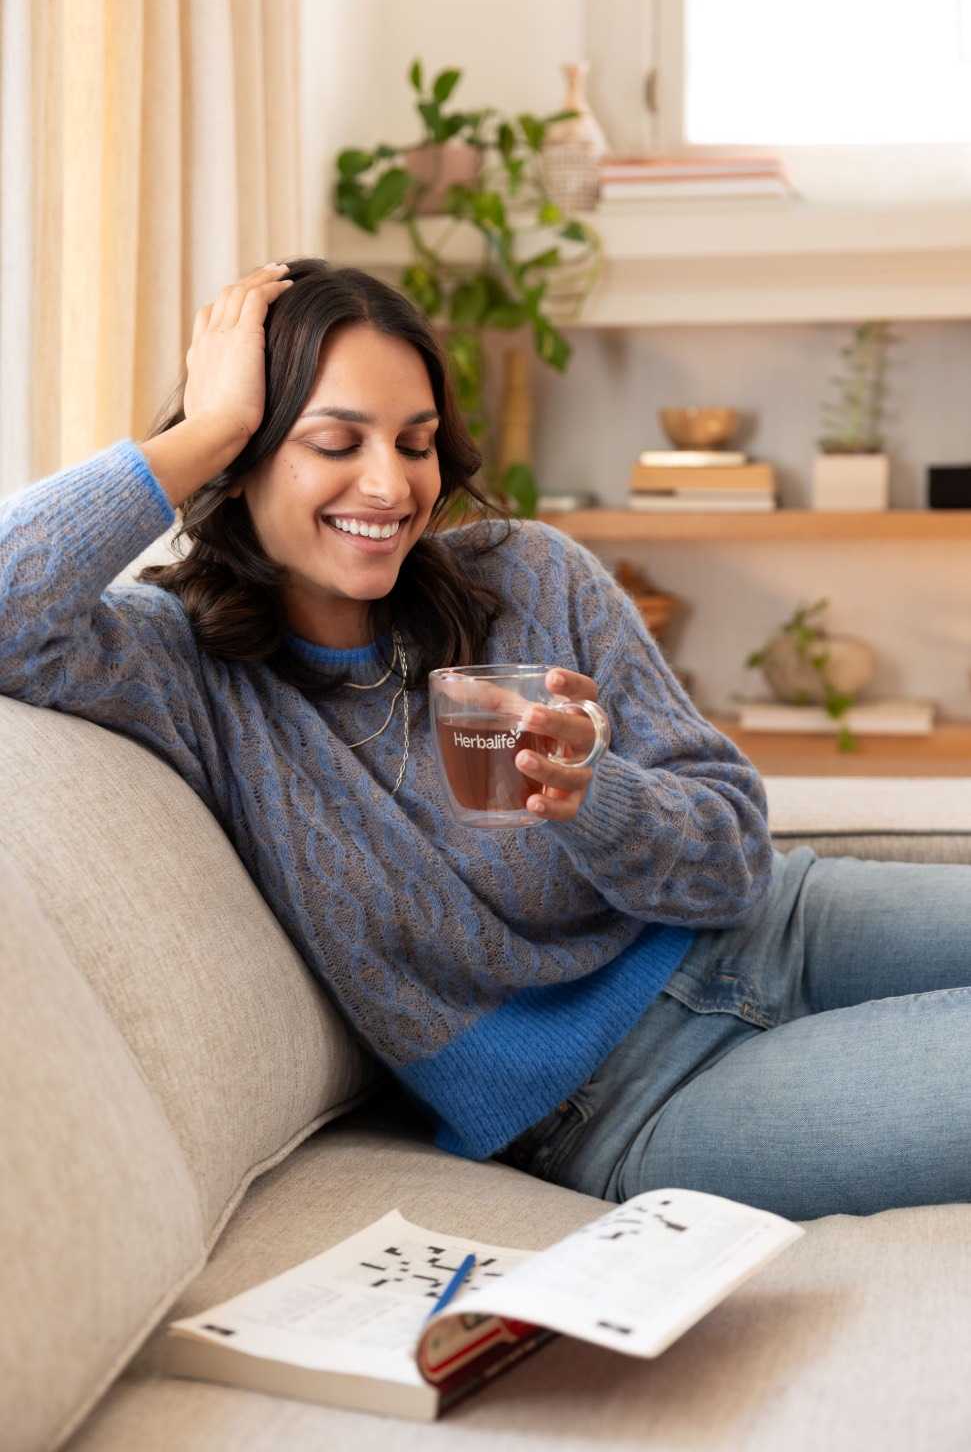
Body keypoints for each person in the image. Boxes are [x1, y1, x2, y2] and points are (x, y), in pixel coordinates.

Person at [2, 257, 969, 1223]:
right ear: (244, 460)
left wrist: (595, 797)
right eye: (336, 443)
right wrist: (203, 431)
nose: (388, 485)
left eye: (414, 443)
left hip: (776, 929)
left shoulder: (531, 577)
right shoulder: (184, 671)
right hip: (625, 1102)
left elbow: (731, 863)